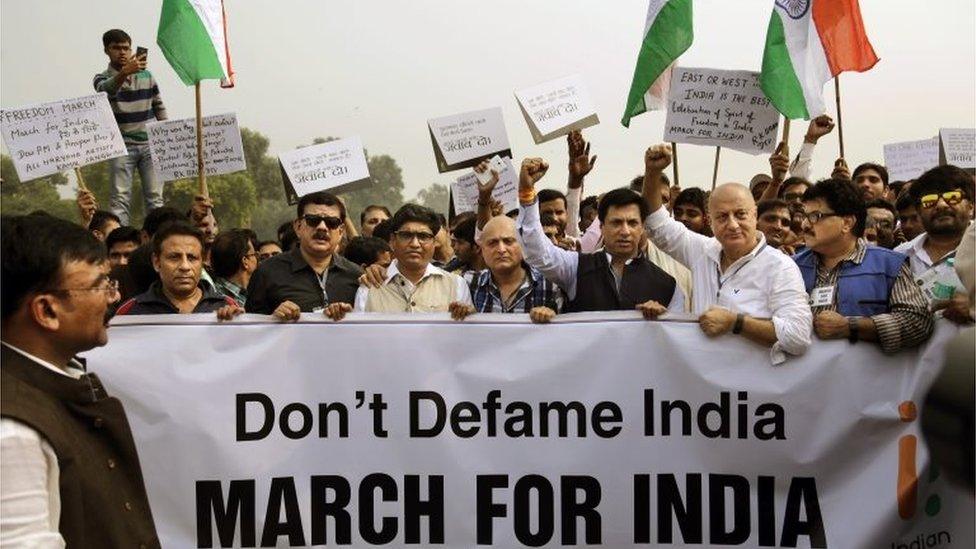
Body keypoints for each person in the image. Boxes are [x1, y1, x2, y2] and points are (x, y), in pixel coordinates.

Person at [1, 214, 160, 547]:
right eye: (100, 284)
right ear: (46, 311)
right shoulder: (13, 433)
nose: (113, 296)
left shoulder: (64, 385)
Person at [641, 144, 812, 364]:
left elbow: (798, 336)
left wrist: (736, 322)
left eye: (740, 214)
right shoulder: (702, 251)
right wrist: (653, 172)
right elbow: (657, 223)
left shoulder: (780, 266)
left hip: (754, 390)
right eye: (722, 217)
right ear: (710, 222)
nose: (732, 225)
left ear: (755, 215)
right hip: (703, 388)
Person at [518, 158, 684, 317]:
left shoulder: (668, 286)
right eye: (616, 223)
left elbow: (676, 336)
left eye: (632, 223)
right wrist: (527, 192)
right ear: (602, 227)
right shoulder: (576, 268)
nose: (625, 231)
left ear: (642, 228)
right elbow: (538, 253)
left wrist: (663, 320)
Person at [793, 179, 933, 352]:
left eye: (815, 216)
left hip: (866, 376)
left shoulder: (888, 265)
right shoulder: (791, 266)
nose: (805, 224)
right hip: (801, 375)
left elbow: (917, 322)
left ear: (847, 223)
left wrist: (851, 327)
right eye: (805, 217)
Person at [336, 204, 471, 319]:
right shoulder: (369, 287)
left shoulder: (457, 285)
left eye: (423, 236)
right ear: (393, 240)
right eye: (406, 235)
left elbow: (465, 335)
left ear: (434, 242)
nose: (415, 244)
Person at [246, 192, 362, 320]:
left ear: (340, 232)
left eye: (331, 222)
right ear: (298, 227)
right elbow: (250, 330)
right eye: (313, 220)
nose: (322, 227)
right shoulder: (267, 272)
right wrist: (273, 319)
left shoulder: (356, 276)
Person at [93, 29, 167, 225]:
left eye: (126, 48)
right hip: (121, 146)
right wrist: (125, 72)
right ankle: (120, 242)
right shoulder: (100, 78)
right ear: (106, 51)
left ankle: (157, 240)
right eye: (116, 48)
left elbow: (158, 105)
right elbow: (106, 90)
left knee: (155, 198)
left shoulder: (147, 76)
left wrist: (167, 137)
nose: (122, 52)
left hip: (150, 144)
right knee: (120, 199)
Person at [895, 165, 975, 324]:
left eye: (952, 197)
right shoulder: (899, 256)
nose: (941, 205)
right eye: (929, 201)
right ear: (918, 211)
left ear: (971, 207)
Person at [450, 215, 563, 323]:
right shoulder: (468, 283)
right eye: (492, 243)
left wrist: (551, 317)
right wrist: (467, 316)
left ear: (522, 245)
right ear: (481, 249)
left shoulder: (549, 285)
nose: (501, 249)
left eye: (508, 241)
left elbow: (567, 330)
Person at [115, 223, 236, 315]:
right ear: (157, 262)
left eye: (192, 258)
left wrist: (234, 324)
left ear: (202, 261)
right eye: (174, 257)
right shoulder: (130, 312)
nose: (185, 266)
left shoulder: (226, 306)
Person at [210, 229, 259, 308]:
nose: (257, 260)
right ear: (245, 261)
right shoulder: (216, 300)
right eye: (254, 255)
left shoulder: (253, 292)